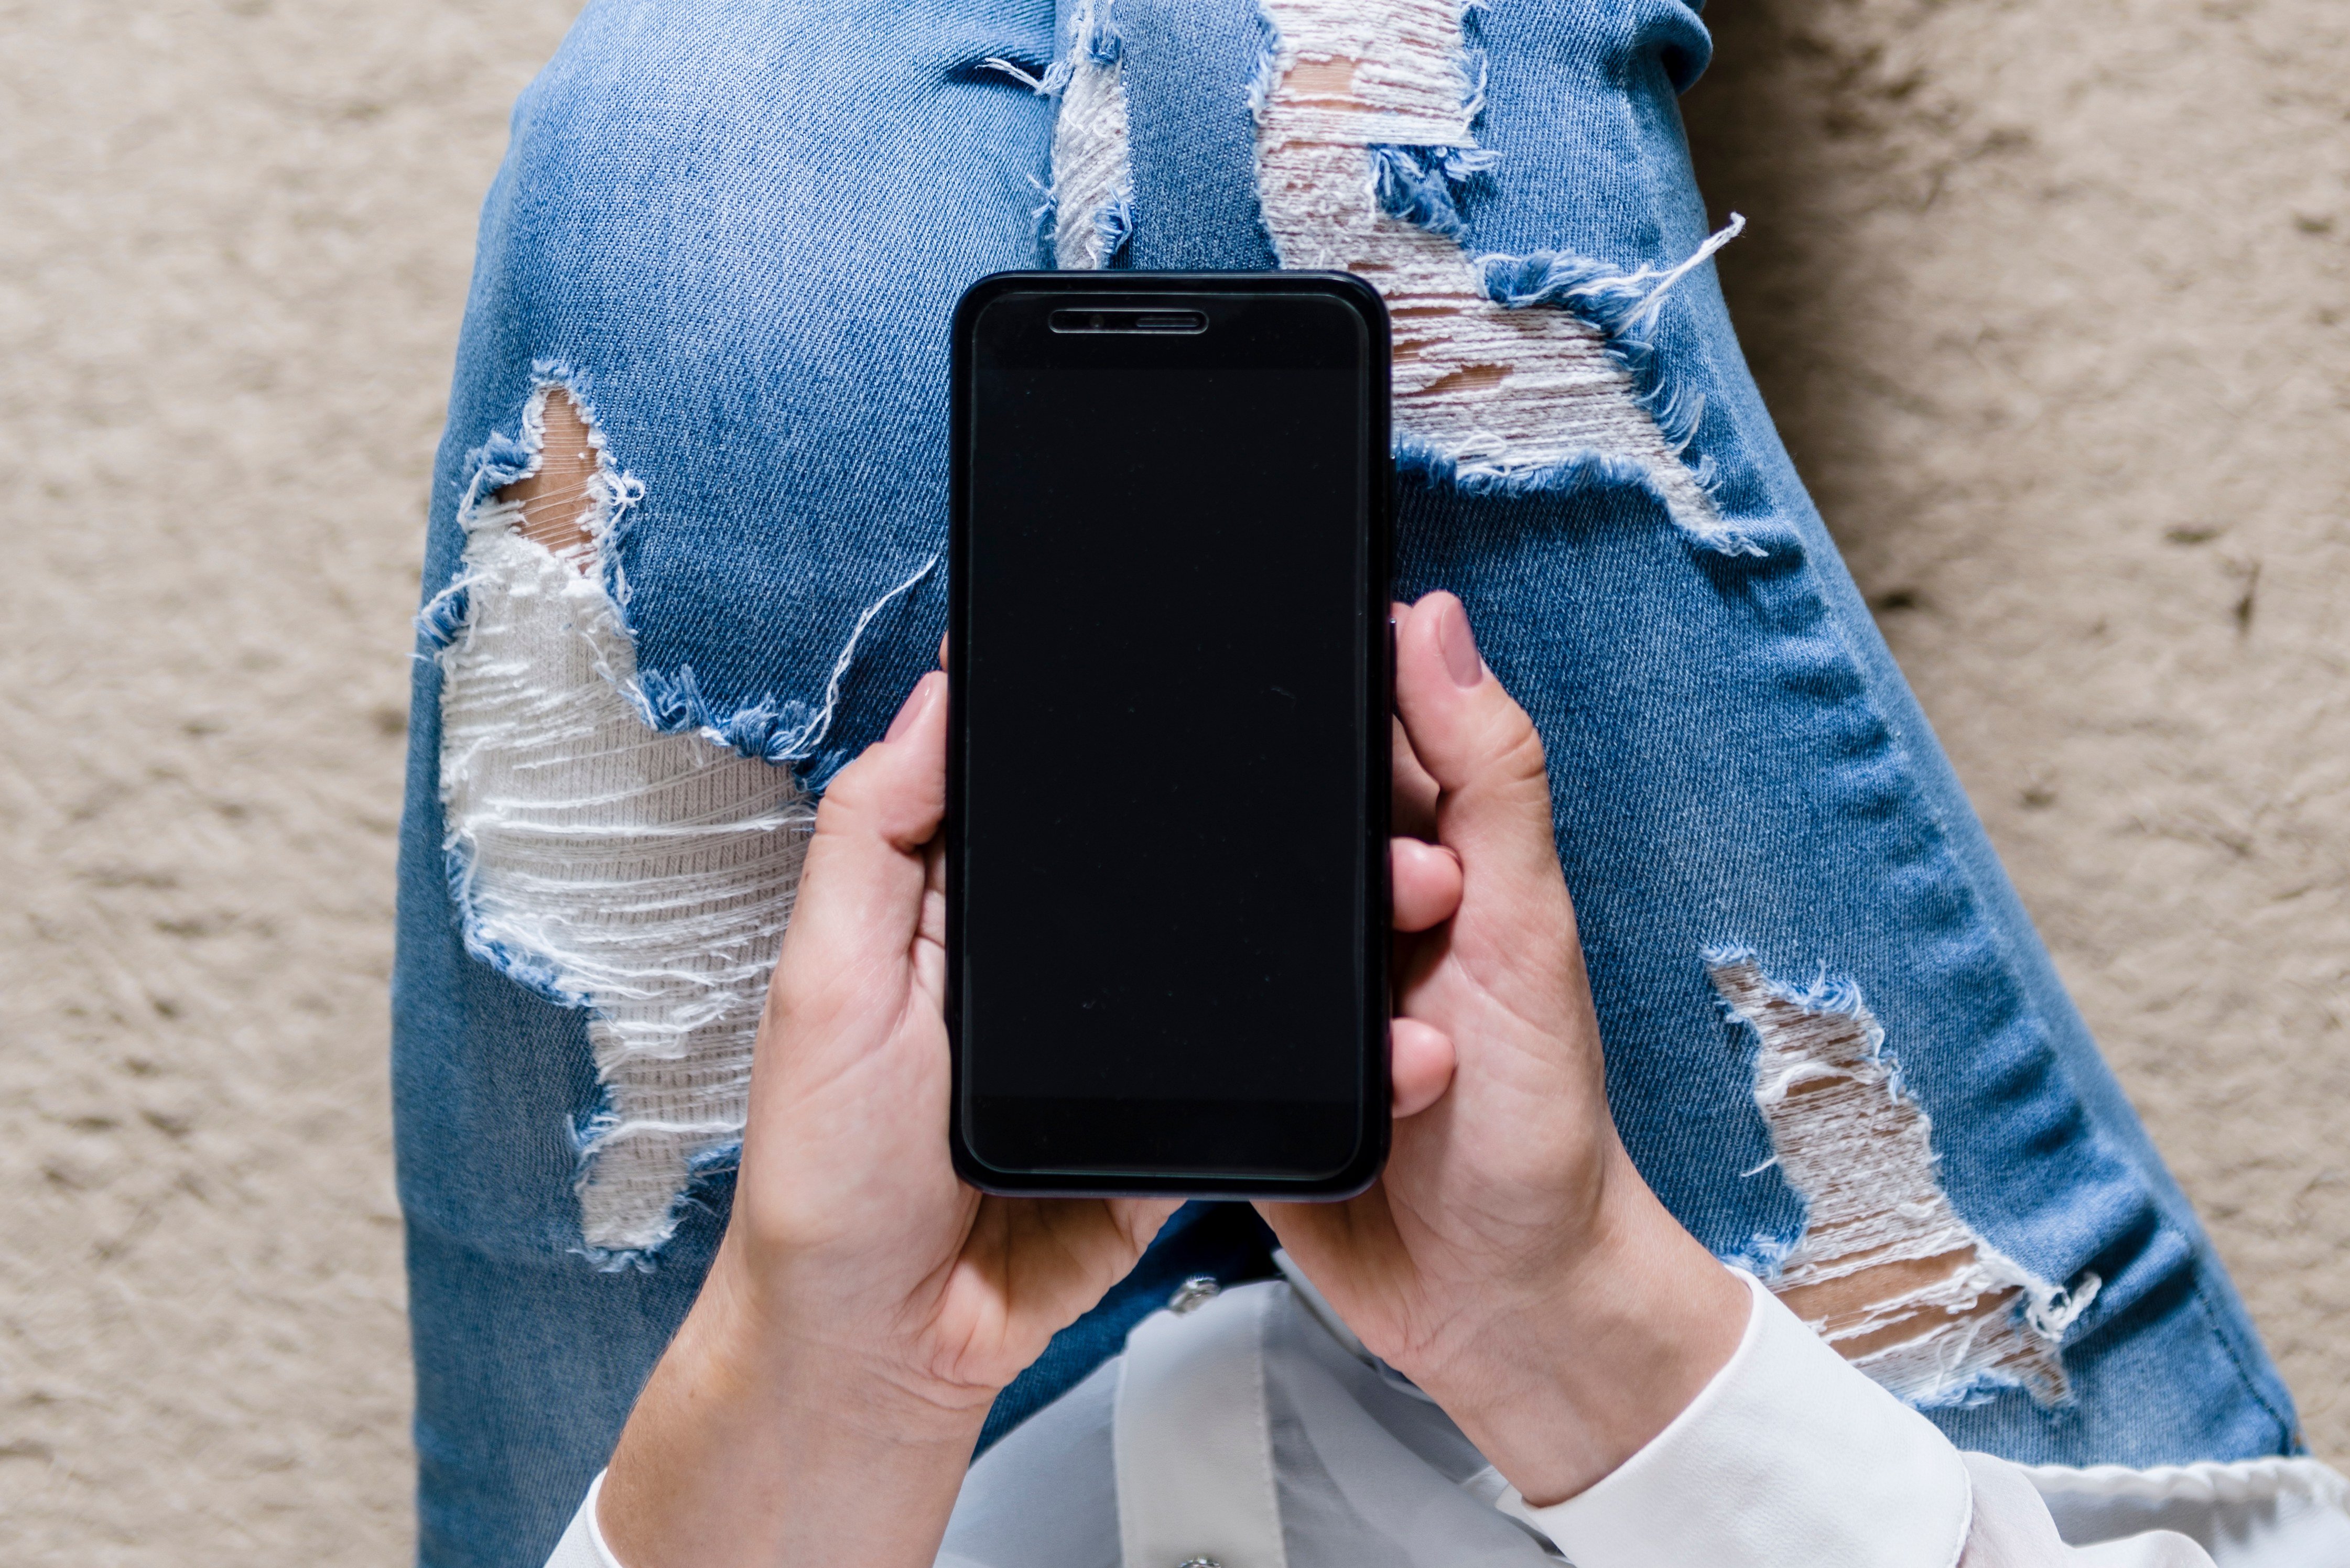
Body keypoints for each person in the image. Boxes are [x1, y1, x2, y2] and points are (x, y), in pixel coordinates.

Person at [392, 0, 2350, 1564]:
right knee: (1325, 78)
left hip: (860, 1483)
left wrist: (816, 1381)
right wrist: (1572, 1316)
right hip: (1745, 1437)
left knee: (704, 114)